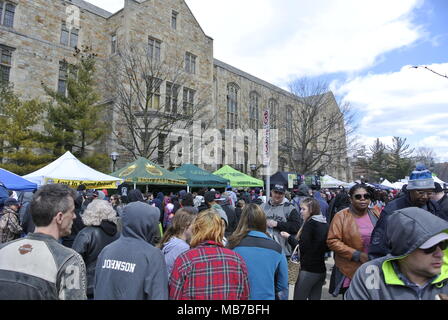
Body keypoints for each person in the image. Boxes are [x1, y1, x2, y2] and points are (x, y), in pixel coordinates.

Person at [0, 184, 87, 299]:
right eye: (72, 211)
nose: (74, 216)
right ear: (60, 217)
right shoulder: (68, 259)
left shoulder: (3, 250)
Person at [346, 207, 448, 300]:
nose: (440, 254)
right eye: (430, 247)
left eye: (443, 245)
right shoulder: (370, 273)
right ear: (404, 249)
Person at [169, 209, 250, 300]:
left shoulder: (184, 260)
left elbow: (174, 296)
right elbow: (245, 296)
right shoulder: (237, 260)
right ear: (220, 231)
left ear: (196, 230)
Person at [94, 201, 168, 300]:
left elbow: (97, 288)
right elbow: (158, 295)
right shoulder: (153, 256)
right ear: (148, 224)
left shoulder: (106, 251)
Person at [369, 164, 441, 260]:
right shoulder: (393, 208)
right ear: (410, 190)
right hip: (400, 259)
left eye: (429, 193)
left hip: (426, 259)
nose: (425, 196)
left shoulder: (433, 207)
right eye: (420, 192)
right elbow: (379, 240)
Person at [327, 184, 380, 297]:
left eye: (366, 196)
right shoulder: (341, 216)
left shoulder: (376, 213)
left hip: (372, 269)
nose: (363, 199)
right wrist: (357, 255)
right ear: (351, 199)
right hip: (350, 270)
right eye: (358, 196)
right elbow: (332, 240)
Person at [227, 204, 288, 300]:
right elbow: (282, 285)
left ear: (242, 221)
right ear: (263, 221)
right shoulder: (277, 248)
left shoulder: (231, 246)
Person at [281, 198, 329, 300]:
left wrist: (289, 237)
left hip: (308, 270)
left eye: (303, 209)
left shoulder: (310, 224)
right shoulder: (324, 222)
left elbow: (302, 247)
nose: (301, 212)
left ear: (311, 210)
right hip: (321, 270)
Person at [72, 200, 120, 299]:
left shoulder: (86, 234)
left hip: (89, 288)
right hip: (111, 287)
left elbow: (74, 262)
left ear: (90, 213)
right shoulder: (118, 234)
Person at [260, 184, 301, 256]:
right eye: (276, 192)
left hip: (283, 252)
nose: (277, 195)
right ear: (271, 192)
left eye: (280, 193)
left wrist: (277, 224)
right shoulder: (262, 206)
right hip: (264, 250)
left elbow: (296, 226)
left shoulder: (289, 208)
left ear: (284, 194)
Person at [158, 208, 196, 277]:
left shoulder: (172, 241)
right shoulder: (182, 248)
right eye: (194, 224)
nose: (196, 228)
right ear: (184, 226)